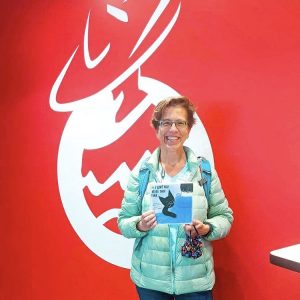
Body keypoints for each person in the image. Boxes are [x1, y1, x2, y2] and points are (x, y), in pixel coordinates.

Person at [118, 96, 233, 300]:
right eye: (166, 122)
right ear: (157, 129)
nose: (173, 129)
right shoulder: (142, 174)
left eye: (180, 123)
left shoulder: (204, 173)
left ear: (188, 129)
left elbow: (224, 217)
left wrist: (207, 228)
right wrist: (139, 225)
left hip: (195, 281)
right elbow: (124, 222)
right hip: (150, 281)